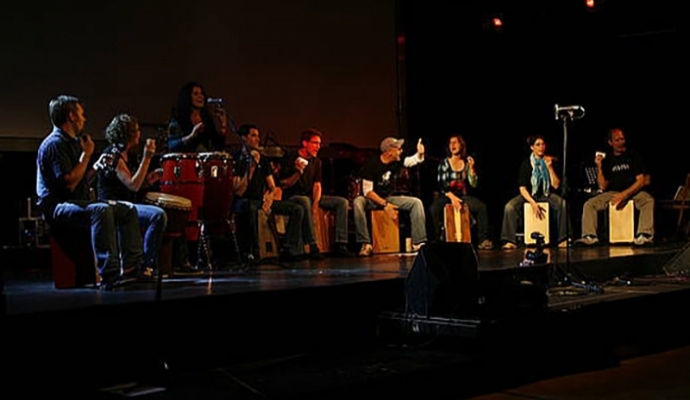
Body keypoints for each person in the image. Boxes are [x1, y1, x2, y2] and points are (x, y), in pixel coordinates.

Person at [36, 95, 144, 289]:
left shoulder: (73, 142)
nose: (84, 119)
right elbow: (68, 184)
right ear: (71, 116)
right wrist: (86, 155)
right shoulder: (54, 144)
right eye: (81, 114)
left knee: (127, 209)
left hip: (75, 202)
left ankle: (131, 269)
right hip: (57, 206)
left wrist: (95, 167)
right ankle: (109, 274)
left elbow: (81, 180)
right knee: (101, 210)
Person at [94, 113, 168, 278]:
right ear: (127, 134)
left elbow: (136, 183)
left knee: (157, 214)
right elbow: (133, 185)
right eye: (136, 130)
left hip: (126, 205)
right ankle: (145, 265)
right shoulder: (113, 155)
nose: (139, 133)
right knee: (157, 216)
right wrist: (147, 157)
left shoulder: (127, 155)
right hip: (114, 206)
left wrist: (149, 179)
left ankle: (146, 264)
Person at [232, 124, 304, 262]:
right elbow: (238, 190)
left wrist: (269, 198)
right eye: (253, 136)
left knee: (297, 209)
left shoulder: (263, 159)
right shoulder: (237, 159)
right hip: (243, 201)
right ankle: (253, 251)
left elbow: (272, 186)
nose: (257, 139)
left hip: (261, 200)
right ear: (244, 138)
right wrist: (252, 166)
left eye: (258, 136)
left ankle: (288, 248)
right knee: (250, 207)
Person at [279, 129, 354, 258]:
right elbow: (284, 184)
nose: (318, 147)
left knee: (342, 202)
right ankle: (312, 245)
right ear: (304, 143)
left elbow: (317, 185)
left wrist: (316, 203)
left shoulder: (316, 162)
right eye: (315, 143)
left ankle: (340, 243)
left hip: (309, 196)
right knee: (304, 201)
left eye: (319, 144)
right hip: (293, 196)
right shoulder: (290, 157)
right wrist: (298, 172)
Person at [575, 127, 654, 246]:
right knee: (589, 204)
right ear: (610, 142)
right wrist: (599, 167)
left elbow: (641, 180)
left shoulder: (632, 155)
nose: (621, 142)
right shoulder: (608, 160)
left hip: (633, 191)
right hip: (613, 193)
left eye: (622, 139)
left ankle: (645, 235)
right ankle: (590, 236)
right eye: (617, 140)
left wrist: (624, 194)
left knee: (648, 200)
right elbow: (602, 185)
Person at [353, 136, 427, 256]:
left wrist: (419, 154)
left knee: (416, 203)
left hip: (387, 197)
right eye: (398, 148)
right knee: (357, 201)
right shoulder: (372, 164)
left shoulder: (396, 161)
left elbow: (411, 161)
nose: (401, 151)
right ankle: (365, 243)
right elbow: (367, 192)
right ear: (389, 151)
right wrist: (385, 204)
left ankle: (418, 243)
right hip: (371, 199)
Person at [500, 134, 570, 249]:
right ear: (532, 147)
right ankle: (508, 240)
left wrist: (550, 168)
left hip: (545, 194)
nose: (541, 147)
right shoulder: (526, 164)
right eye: (538, 145)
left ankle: (563, 238)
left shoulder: (550, 161)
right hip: (529, 194)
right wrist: (533, 203)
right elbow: (522, 188)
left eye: (543, 144)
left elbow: (556, 185)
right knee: (510, 207)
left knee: (562, 204)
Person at [429, 134, 494, 249]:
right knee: (434, 208)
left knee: (481, 207)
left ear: (461, 145)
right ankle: (437, 239)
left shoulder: (466, 163)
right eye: (450, 143)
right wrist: (452, 198)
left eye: (456, 142)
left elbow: (473, 184)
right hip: (447, 195)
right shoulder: (444, 163)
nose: (453, 145)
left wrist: (472, 168)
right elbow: (442, 185)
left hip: (462, 196)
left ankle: (483, 240)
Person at [167, 81, 228, 153]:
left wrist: (223, 125)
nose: (201, 96)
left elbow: (218, 146)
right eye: (196, 94)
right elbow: (170, 145)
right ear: (187, 97)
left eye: (202, 93)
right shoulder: (178, 120)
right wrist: (190, 136)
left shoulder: (206, 120)